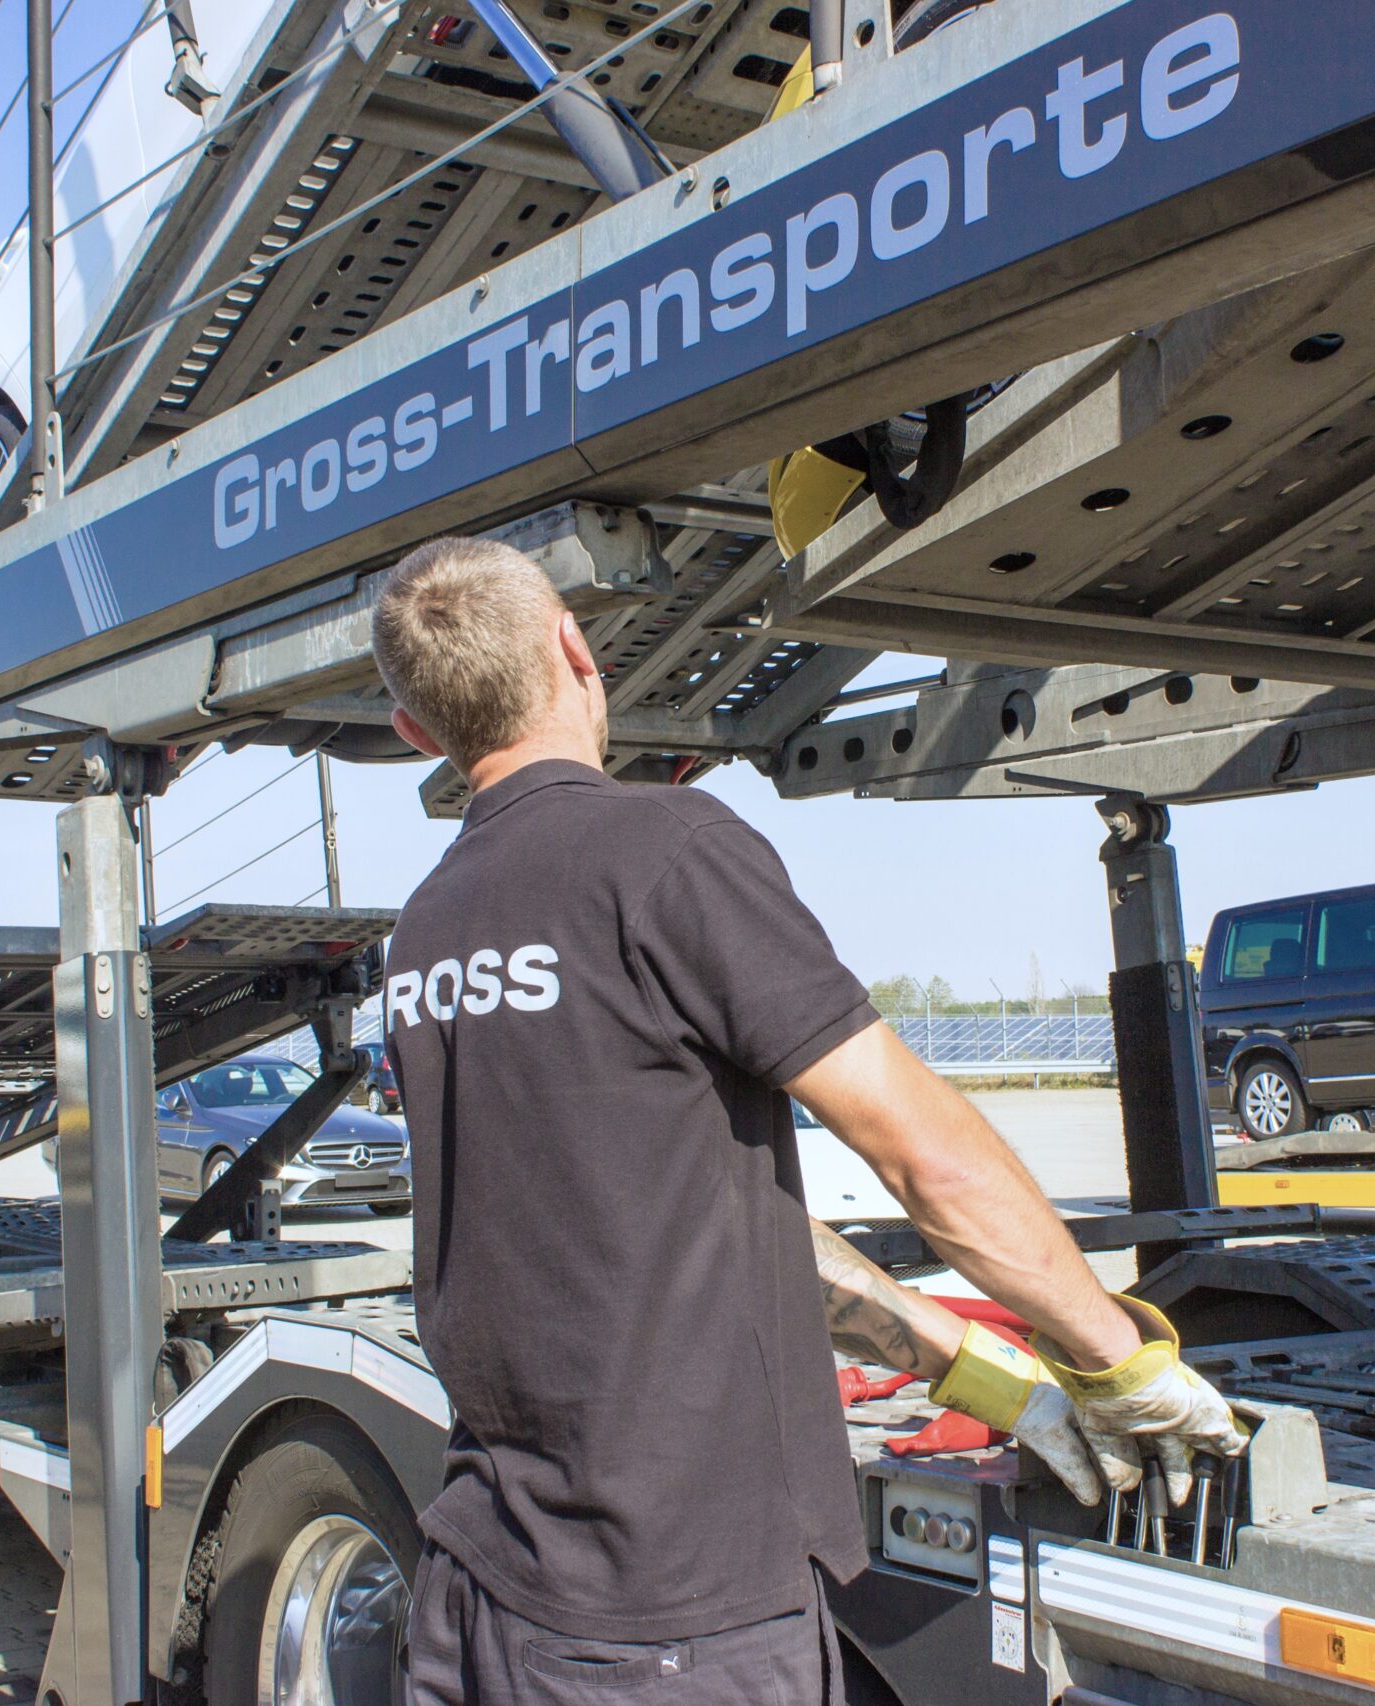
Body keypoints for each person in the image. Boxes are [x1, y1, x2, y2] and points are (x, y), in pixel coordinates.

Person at [371, 535, 1241, 1703]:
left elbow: (705, 1223)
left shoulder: (426, 928)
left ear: (417, 733)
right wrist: (1113, 1356)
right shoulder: (663, 850)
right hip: (668, 1619)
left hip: (481, 1587)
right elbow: (920, 1148)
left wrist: (985, 1378)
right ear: (575, 648)